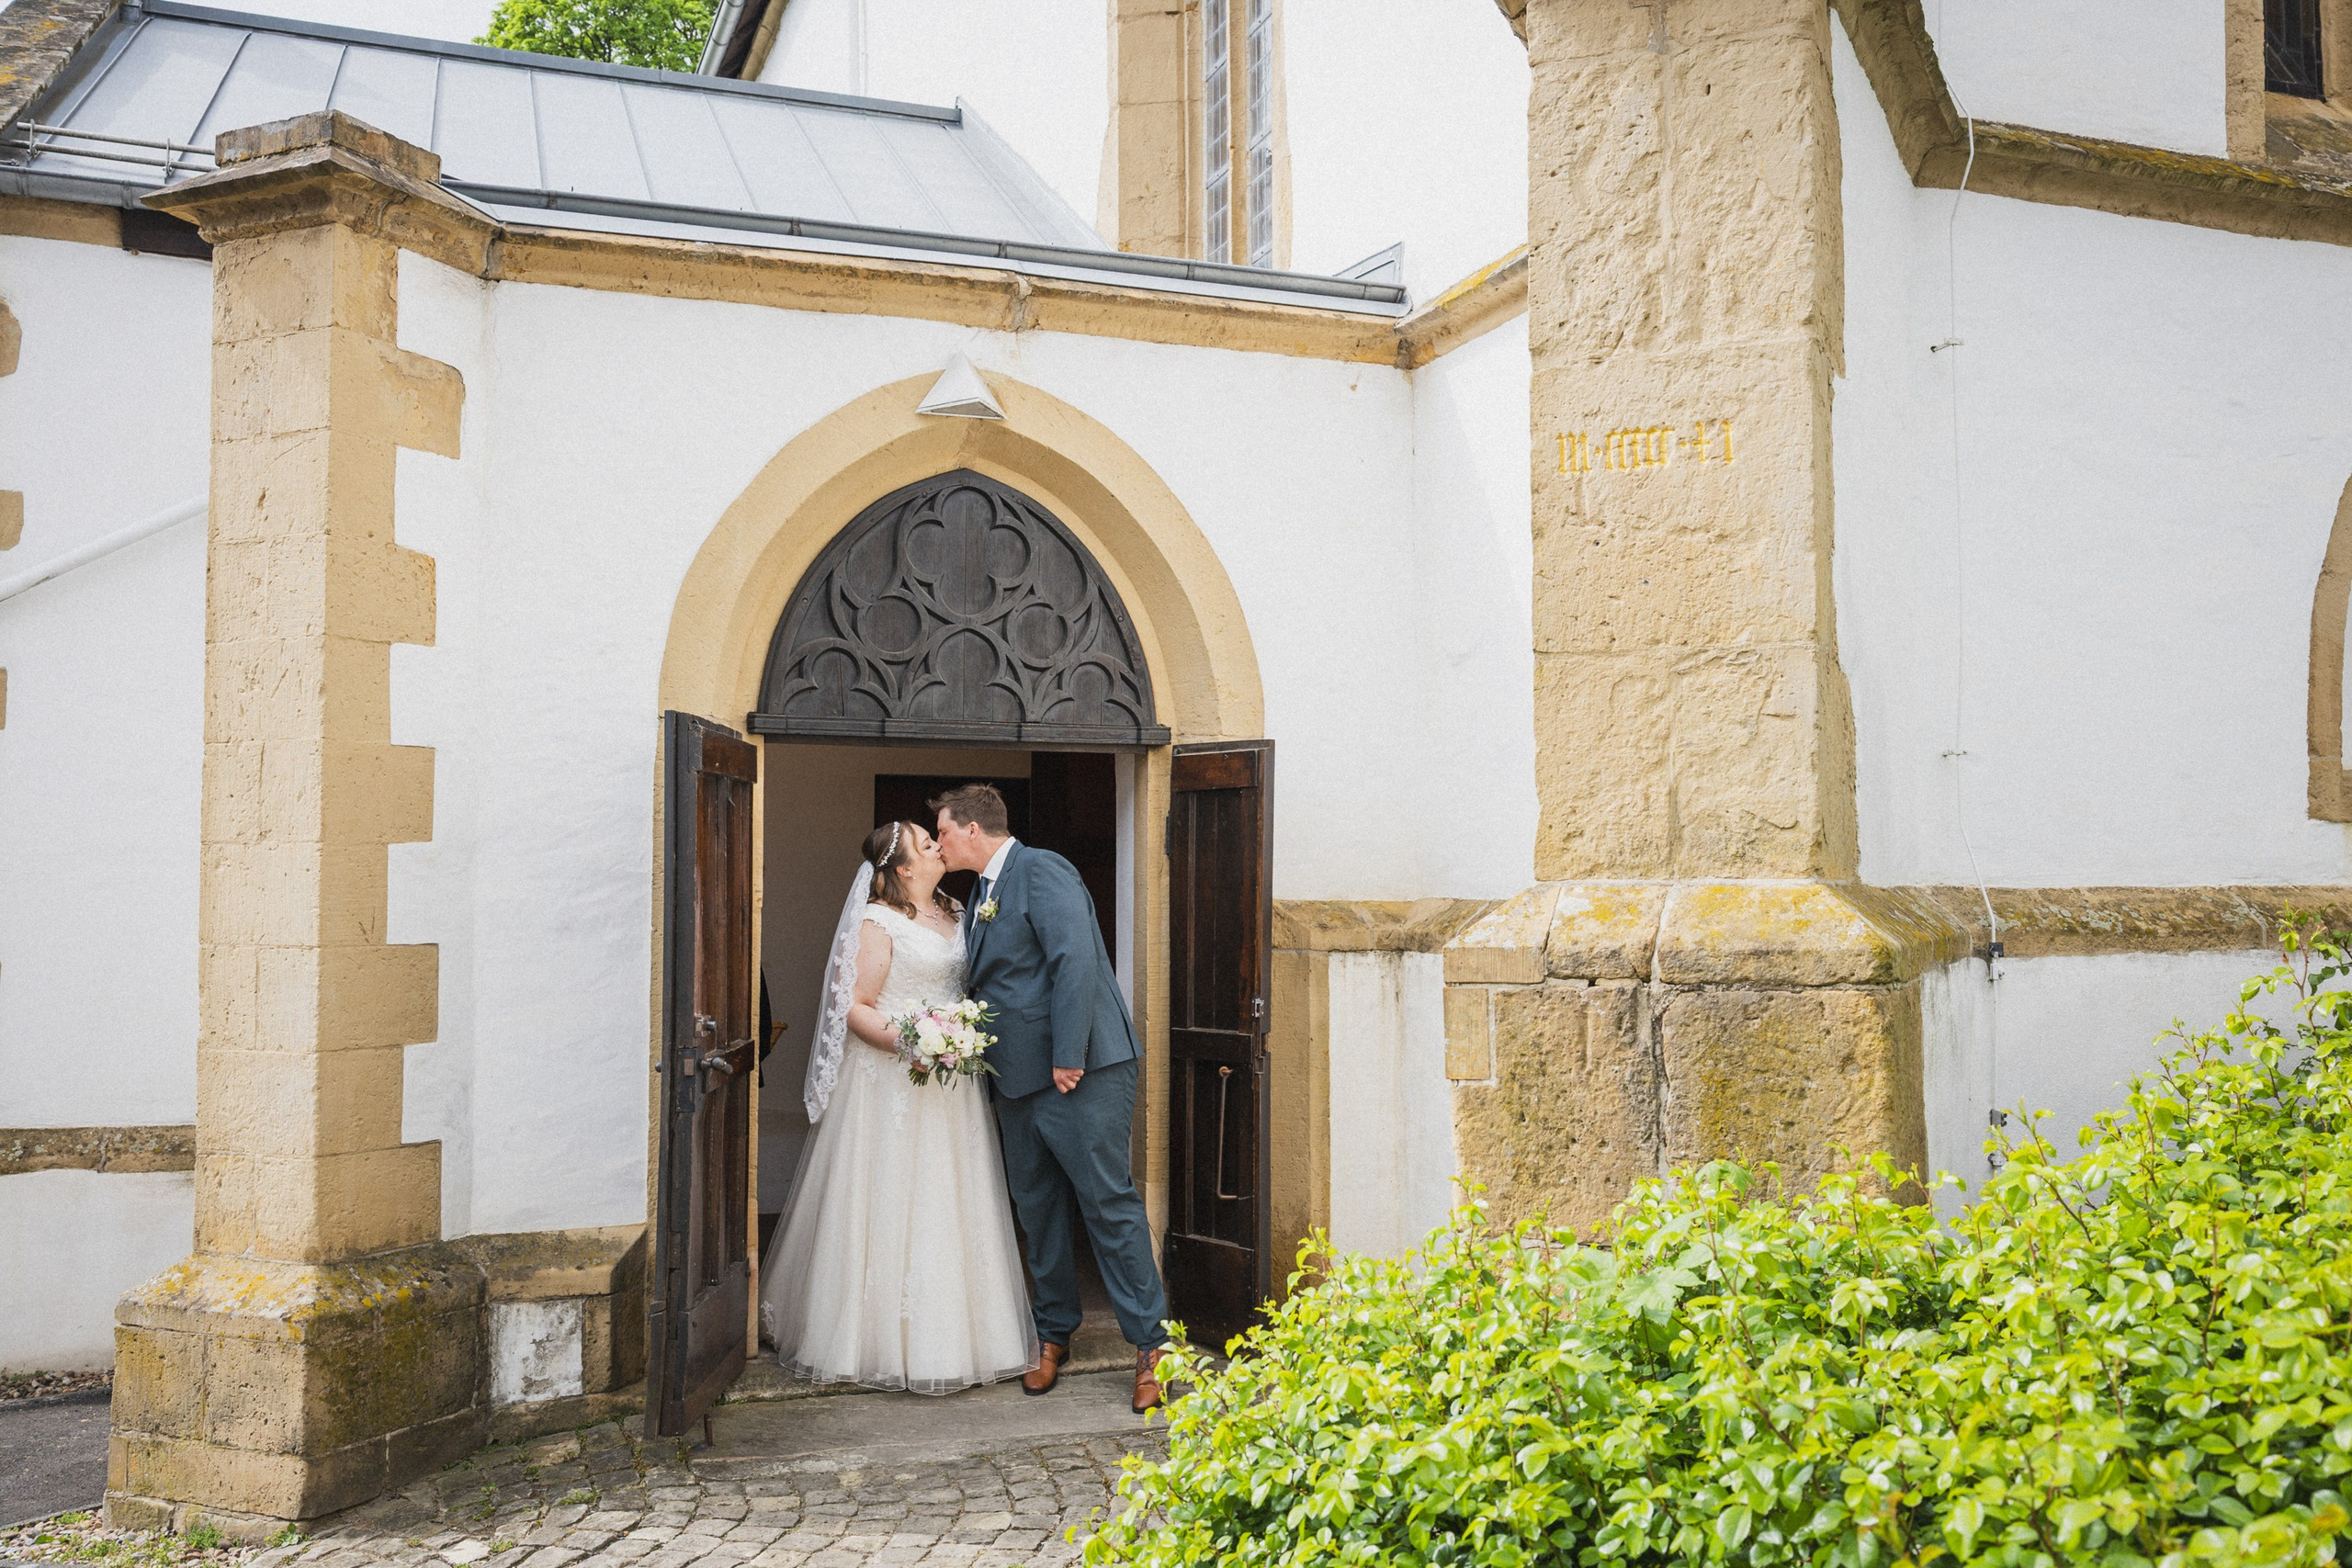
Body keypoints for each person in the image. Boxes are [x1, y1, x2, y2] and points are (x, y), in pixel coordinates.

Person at [754, 820, 1037, 1393]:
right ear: (904, 868)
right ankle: (874, 1340)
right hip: (894, 1081)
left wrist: (956, 1041)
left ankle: (962, 1337)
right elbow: (856, 1009)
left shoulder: (961, 912)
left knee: (951, 1197)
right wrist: (920, 1044)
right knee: (892, 1197)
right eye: (924, 842)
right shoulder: (876, 922)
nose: (937, 844)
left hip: (952, 1086)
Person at [932, 783, 1172, 1414]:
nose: (939, 842)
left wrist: (1070, 1052)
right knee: (1037, 1210)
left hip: (1080, 1072)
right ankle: (1054, 1332)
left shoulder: (1043, 869)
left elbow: (1075, 961)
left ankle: (1152, 1346)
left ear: (975, 830)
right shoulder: (979, 892)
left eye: (944, 831)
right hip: (1013, 1079)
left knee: (1106, 1203)